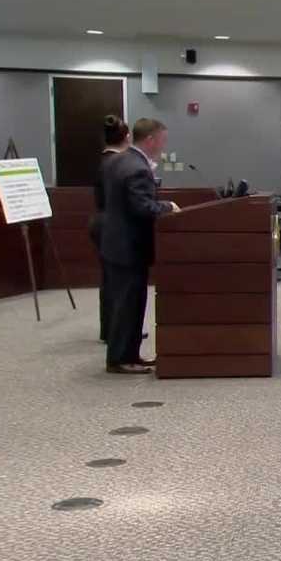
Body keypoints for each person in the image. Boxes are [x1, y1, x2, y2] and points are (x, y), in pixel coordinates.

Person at [99, 118, 180, 374]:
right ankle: (121, 359)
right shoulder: (137, 168)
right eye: (162, 141)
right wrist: (168, 207)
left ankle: (129, 354)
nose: (163, 147)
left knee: (127, 303)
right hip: (128, 246)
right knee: (128, 304)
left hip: (115, 242)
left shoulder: (118, 160)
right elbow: (142, 208)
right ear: (151, 140)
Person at [91, 114, 131, 343]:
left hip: (101, 221)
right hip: (112, 224)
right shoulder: (117, 164)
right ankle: (115, 330)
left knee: (109, 280)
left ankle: (110, 329)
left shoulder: (104, 160)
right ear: (126, 138)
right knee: (117, 282)